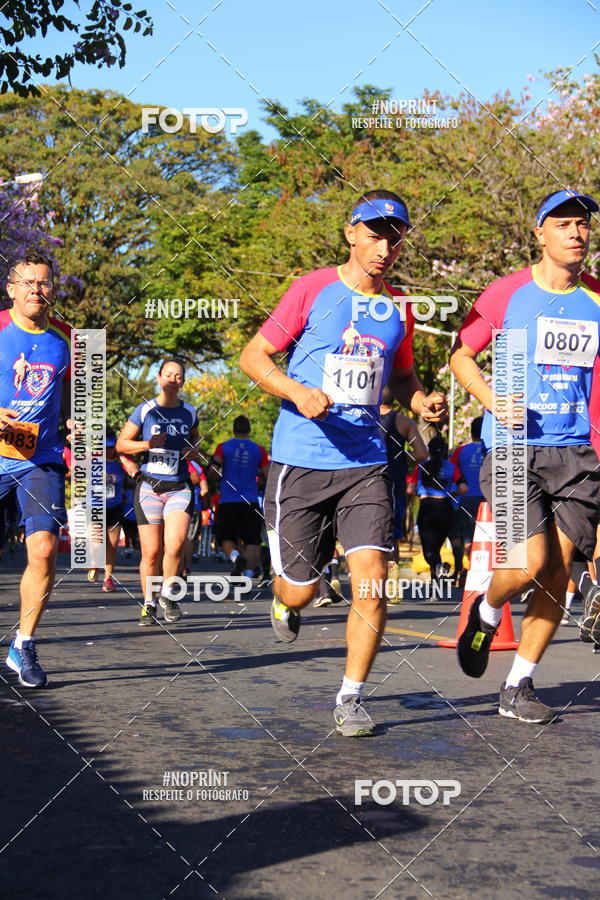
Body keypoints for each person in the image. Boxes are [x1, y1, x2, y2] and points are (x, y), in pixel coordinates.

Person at [239, 189, 446, 737]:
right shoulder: (311, 289)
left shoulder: (398, 307)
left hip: (366, 462)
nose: (385, 246)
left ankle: (351, 696)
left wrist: (419, 399)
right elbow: (253, 358)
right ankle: (286, 601)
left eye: (395, 236)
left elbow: (401, 376)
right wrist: (296, 391)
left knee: (373, 580)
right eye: (375, 234)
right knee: (301, 590)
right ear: (351, 233)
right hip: (301, 460)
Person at [450, 188, 600, 723]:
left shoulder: (596, 298)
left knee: (558, 572)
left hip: (577, 452)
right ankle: (487, 612)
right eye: (563, 224)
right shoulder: (507, 293)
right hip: (514, 447)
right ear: (539, 234)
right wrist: (490, 397)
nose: (576, 233)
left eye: (582, 224)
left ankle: (518, 687)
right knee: (527, 563)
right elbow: (461, 354)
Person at [0, 253, 73, 687]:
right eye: (28, 282)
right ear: (11, 288)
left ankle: (23, 644)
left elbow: (65, 401)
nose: (36, 290)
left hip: (39, 458)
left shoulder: (64, 340)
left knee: (44, 547)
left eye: (44, 283)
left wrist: (72, 422)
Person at [116, 359, 200, 625]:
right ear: (159, 378)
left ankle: (168, 595)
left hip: (179, 487)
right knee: (151, 552)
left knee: (175, 545)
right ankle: (148, 603)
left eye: (178, 376)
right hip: (150, 486)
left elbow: (195, 440)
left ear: (182, 382)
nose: (173, 380)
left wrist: (192, 450)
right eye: (168, 375)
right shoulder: (145, 410)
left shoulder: (190, 411)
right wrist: (146, 444)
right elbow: (121, 444)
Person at [208, 416, 270, 581]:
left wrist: (217, 477)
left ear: (233, 430)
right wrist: (261, 483)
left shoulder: (223, 447)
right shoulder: (259, 450)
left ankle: (236, 557)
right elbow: (268, 474)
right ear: (249, 431)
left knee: (225, 538)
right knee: (252, 541)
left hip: (228, 500)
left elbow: (213, 471)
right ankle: (248, 576)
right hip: (250, 501)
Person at [379, 387, 428, 592]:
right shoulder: (404, 422)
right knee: (394, 534)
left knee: (369, 534)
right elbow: (422, 454)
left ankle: (369, 580)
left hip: (366, 482)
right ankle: (392, 579)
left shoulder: (362, 420)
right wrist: (402, 458)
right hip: (395, 483)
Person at [406, 436, 465, 591]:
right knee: (438, 546)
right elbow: (464, 488)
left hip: (427, 509)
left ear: (429, 451)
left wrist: (419, 494)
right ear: (444, 451)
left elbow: (410, 489)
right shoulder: (452, 468)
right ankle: (437, 581)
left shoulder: (420, 468)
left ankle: (438, 567)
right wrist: (452, 494)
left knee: (429, 550)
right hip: (445, 508)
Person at [87, 427, 139, 591]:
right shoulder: (92, 460)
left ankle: (107, 579)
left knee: (112, 544)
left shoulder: (120, 464)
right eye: (106, 447)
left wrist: (122, 456)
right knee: (97, 543)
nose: (109, 451)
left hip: (115, 507)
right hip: (95, 506)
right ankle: (95, 562)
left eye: (111, 447)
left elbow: (135, 472)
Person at [450, 415, 485, 585]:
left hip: (465, 499)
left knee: (467, 536)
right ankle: (483, 570)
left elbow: (451, 472)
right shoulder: (492, 450)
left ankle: (470, 569)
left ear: (471, 433)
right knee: (487, 536)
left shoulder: (460, 451)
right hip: (488, 501)